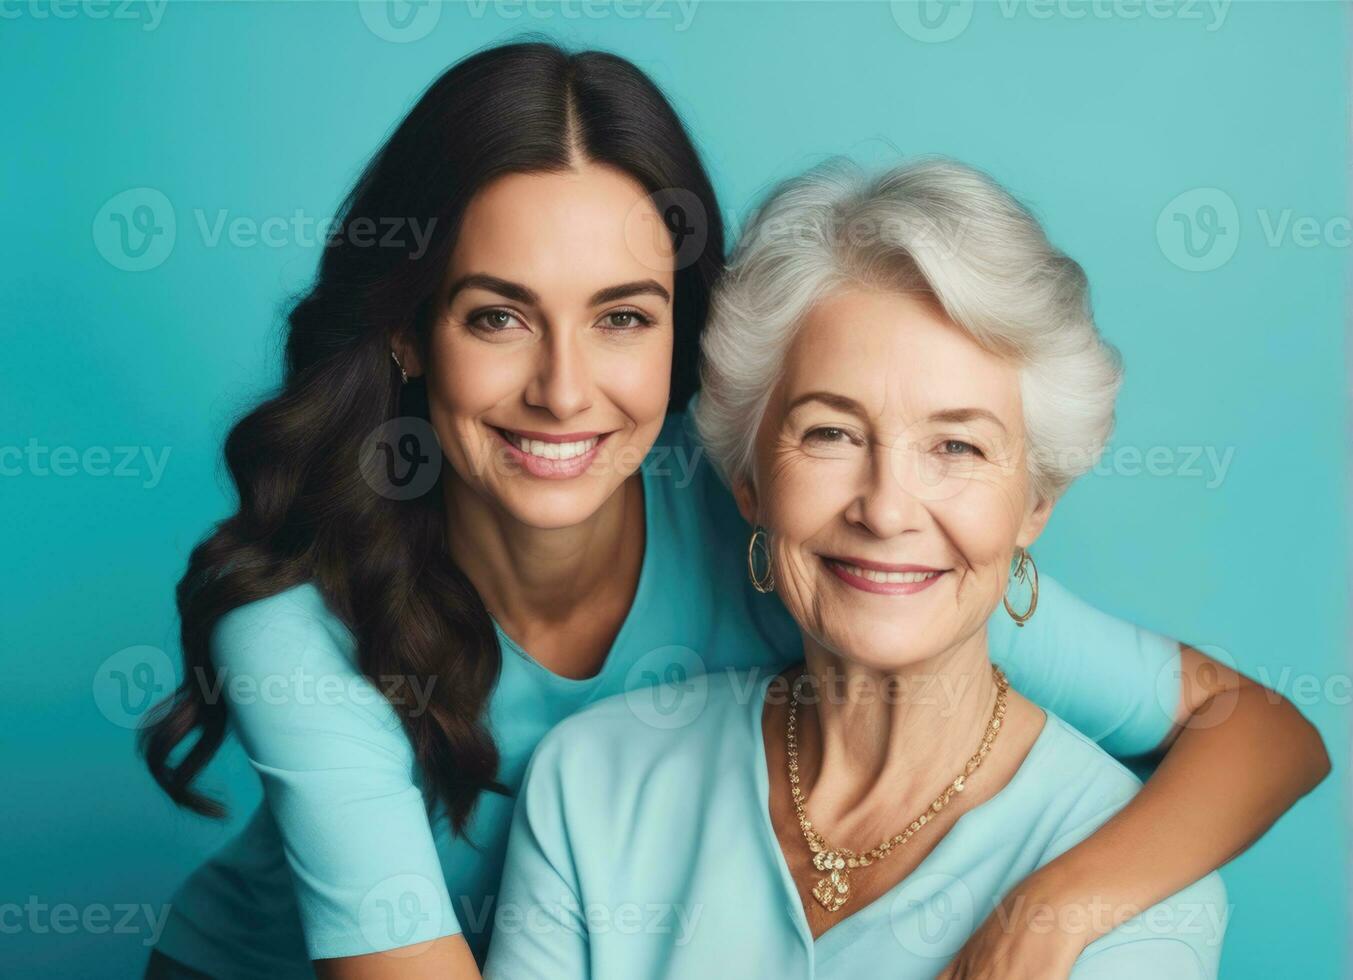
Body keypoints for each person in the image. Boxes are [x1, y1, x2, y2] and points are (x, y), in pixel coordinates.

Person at [140, 42, 1327, 980]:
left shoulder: (826, 536)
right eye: (497, 315)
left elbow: (1260, 730)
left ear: (687, 343)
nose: (563, 388)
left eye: (623, 316)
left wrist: (1047, 914)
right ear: (408, 330)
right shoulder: (303, 630)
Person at [484, 157, 1242, 978]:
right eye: (829, 434)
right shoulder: (590, 782)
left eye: (956, 446)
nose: (884, 508)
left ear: (1034, 503)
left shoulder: (1139, 903)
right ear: (748, 480)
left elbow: (1262, 729)